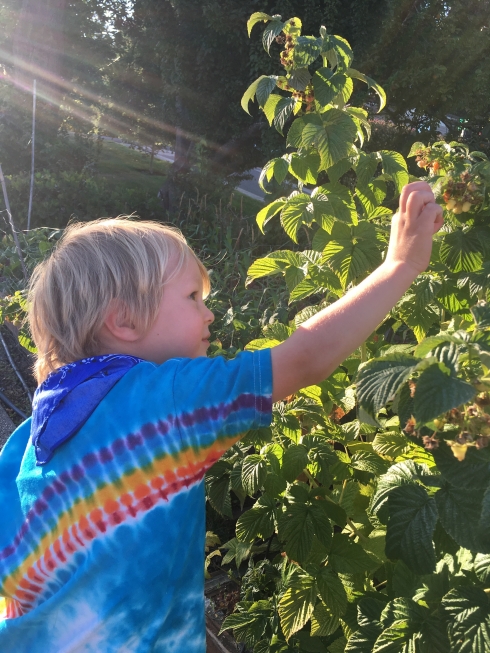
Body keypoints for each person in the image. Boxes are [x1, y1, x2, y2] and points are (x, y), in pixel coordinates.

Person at [0, 181, 443, 652]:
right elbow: (305, 358)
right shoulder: (161, 398)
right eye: (193, 297)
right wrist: (402, 264)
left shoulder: (36, 431)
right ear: (124, 321)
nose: (210, 314)